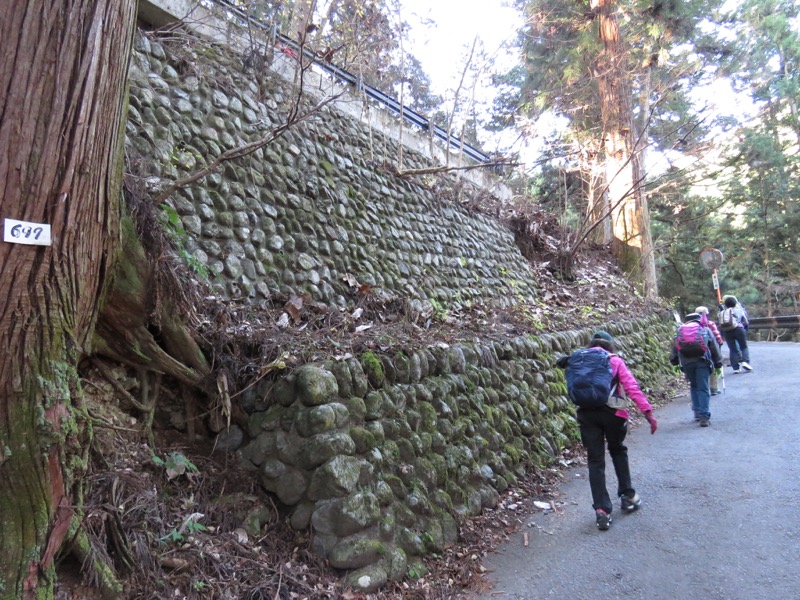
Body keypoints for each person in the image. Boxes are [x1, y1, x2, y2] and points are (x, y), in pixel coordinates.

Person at [557, 331, 658, 531]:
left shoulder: (578, 360)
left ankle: (601, 510)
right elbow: (631, 387)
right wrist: (647, 412)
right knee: (618, 450)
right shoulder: (614, 360)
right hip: (613, 414)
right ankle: (627, 495)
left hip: (586, 414)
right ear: (610, 345)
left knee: (595, 461)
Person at [670, 313, 723, 427]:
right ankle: (704, 416)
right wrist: (718, 364)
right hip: (702, 362)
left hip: (686, 363)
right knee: (703, 388)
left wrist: (674, 363)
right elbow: (714, 347)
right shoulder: (705, 329)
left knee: (694, 386)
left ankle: (697, 412)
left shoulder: (680, 330)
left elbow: (675, 348)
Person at [718, 295, 752, 373]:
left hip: (727, 331)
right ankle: (745, 362)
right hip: (738, 329)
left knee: (732, 349)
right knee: (743, 347)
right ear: (735, 303)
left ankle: (735, 368)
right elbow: (746, 321)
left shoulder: (722, 312)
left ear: (725, 304)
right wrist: (745, 327)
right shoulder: (739, 310)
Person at [696, 306, 724, 395]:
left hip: (697, 350)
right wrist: (719, 344)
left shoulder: (691, 325)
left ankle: (702, 388)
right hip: (710, 349)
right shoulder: (710, 324)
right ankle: (714, 388)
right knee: (713, 366)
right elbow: (717, 336)